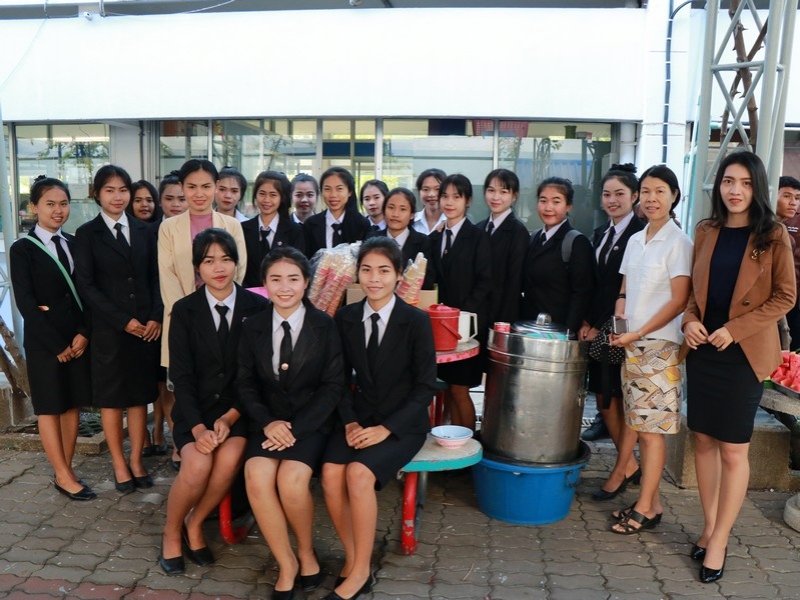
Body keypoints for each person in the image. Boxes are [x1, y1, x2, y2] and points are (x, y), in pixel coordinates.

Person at [682, 152, 795, 583]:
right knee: (703, 442)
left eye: (746, 183)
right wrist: (690, 321)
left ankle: (721, 540)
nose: (735, 190)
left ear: (757, 188)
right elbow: (694, 292)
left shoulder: (773, 233)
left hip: (742, 354)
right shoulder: (705, 230)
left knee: (732, 448)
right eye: (729, 181)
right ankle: (709, 526)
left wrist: (734, 328)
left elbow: (785, 297)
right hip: (704, 350)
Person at [322, 237, 436, 600]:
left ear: (399, 275)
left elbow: (425, 388)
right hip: (358, 418)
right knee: (330, 474)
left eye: (384, 270)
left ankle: (360, 572)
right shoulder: (346, 317)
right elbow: (337, 380)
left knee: (358, 474)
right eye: (367, 270)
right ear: (357, 274)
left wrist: (386, 429)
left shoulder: (416, 321)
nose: (374, 278)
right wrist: (350, 422)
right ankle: (356, 558)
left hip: (403, 424)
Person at [159, 229, 268, 576]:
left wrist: (230, 416)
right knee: (198, 465)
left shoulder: (258, 307)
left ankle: (195, 523)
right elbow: (182, 377)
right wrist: (198, 427)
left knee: (228, 460)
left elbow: (255, 375)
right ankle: (171, 531)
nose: (218, 268)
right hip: (195, 411)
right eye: (209, 261)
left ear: (237, 263)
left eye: (226, 259)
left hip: (238, 410)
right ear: (198, 268)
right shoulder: (184, 310)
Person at [239, 247, 344, 599]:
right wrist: (269, 422)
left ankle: (306, 551)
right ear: (264, 284)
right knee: (257, 476)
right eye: (276, 279)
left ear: (306, 282)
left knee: (291, 480)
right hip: (267, 422)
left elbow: (333, 387)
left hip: (310, 424)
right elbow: (244, 383)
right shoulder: (252, 325)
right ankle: (286, 563)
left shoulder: (324, 325)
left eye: (293, 279)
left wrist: (295, 429)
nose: (285, 287)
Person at [608, 164, 693, 535]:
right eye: (646, 191)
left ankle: (645, 507)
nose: (651, 198)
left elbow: (678, 301)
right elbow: (624, 289)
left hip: (660, 346)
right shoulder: (636, 239)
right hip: (633, 344)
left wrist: (639, 331)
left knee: (652, 431)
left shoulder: (679, 243)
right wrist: (621, 321)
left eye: (660, 191)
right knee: (641, 427)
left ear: (674, 196)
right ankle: (651, 503)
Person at [74, 165, 162, 494]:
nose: (117, 196)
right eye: (109, 190)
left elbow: (155, 278)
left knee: (139, 399)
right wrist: (122, 320)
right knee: (112, 400)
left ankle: (137, 460)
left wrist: (156, 316)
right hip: (110, 331)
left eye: (123, 189)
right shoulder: (87, 234)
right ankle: (119, 463)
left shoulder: (144, 231)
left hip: (145, 330)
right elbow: (87, 286)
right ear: (97, 194)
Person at [158, 159, 247, 469]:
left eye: (206, 186)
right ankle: (181, 441)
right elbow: (168, 278)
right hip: (184, 319)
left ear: (216, 187)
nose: (199, 193)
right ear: (182, 188)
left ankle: (219, 433)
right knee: (184, 382)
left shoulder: (232, 225)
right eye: (192, 186)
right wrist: (192, 316)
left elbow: (239, 270)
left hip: (224, 316)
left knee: (223, 380)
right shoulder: (168, 227)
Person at [9, 176, 94, 501]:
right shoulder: (23, 249)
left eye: (63, 204)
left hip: (78, 339)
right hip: (46, 344)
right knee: (50, 407)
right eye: (50, 204)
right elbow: (26, 303)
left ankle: (66, 471)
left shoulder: (75, 243)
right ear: (34, 207)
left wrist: (84, 333)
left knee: (72, 404)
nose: (58, 210)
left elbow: (87, 293)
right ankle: (62, 474)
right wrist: (57, 345)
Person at [579, 164, 644, 499]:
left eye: (620, 193)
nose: (612, 200)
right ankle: (628, 465)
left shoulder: (640, 233)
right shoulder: (601, 232)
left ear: (634, 196)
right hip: (599, 327)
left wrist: (600, 324)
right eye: (607, 194)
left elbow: (624, 289)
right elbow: (596, 284)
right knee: (606, 402)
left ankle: (624, 468)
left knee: (616, 400)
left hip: (623, 330)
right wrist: (588, 321)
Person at [429, 174, 492, 431]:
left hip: (465, 327)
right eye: (445, 196)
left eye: (457, 196)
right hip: (438, 326)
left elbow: (485, 282)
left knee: (459, 389)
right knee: (445, 389)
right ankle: (450, 439)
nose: (449, 202)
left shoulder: (478, 237)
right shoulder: (434, 237)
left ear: (468, 201)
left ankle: (469, 442)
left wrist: (461, 316)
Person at [521, 177, 596, 335]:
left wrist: (568, 333)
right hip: (531, 329)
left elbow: (581, 293)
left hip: (559, 333)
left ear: (568, 206)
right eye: (543, 201)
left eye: (556, 202)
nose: (548, 207)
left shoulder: (576, 242)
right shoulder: (535, 238)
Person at [476, 168, 530, 326]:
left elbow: (515, 283)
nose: (495, 197)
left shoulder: (518, 232)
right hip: (477, 311)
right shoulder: (479, 228)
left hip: (502, 314)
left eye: (503, 192)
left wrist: (504, 324)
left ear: (514, 196)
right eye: (491, 190)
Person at [242, 170, 306, 288]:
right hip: (249, 295)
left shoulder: (294, 231)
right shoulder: (243, 229)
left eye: (273, 195)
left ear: (282, 198)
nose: (266, 200)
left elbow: (299, 269)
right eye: (262, 193)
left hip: (283, 293)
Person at [365, 187, 434, 289]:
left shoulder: (423, 242)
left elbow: (428, 280)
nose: (395, 214)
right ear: (384, 211)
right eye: (391, 207)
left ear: (412, 215)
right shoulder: (372, 239)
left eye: (403, 209)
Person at [304, 167, 370, 258]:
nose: (333, 195)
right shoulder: (311, 224)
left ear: (350, 192)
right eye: (327, 189)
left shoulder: (362, 224)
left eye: (339, 189)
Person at [778, 176, 800, 348]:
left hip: (791, 298)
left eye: (797, 198)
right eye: (787, 196)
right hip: (773, 301)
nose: (793, 202)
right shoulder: (761, 226)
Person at [412, 168, 447, 235]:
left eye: (437, 189)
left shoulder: (452, 222)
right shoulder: (411, 221)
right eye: (426, 189)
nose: (431, 194)